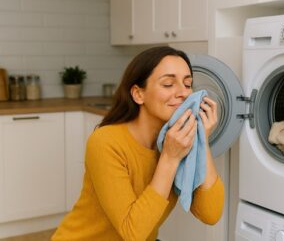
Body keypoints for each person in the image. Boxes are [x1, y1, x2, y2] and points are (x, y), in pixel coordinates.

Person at [51, 46, 224, 241]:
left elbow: (211, 214)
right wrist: (169, 158)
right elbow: (132, 232)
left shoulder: (179, 142)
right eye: (168, 84)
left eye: (188, 84)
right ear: (138, 94)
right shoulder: (106, 141)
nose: (183, 93)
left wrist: (202, 140)